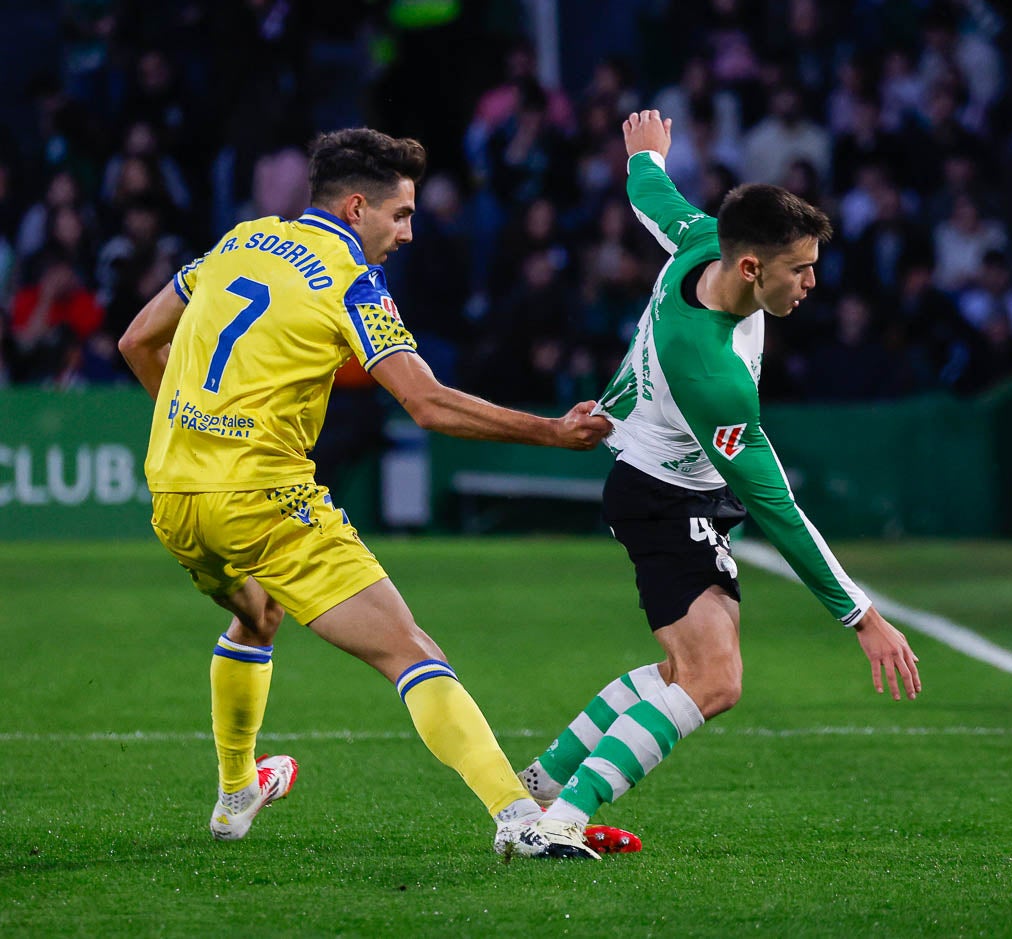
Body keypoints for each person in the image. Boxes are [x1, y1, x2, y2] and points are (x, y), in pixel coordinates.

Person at [118, 127, 617, 859]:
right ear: (357, 207)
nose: (408, 232)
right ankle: (518, 817)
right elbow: (428, 404)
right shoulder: (351, 278)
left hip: (175, 494)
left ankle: (235, 793)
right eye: (401, 214)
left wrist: (194, 436)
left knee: (258, 616)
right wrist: (551, 431)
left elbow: (136, 342)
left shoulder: (239, 240)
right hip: (264, 498)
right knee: (412, 651)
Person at [514, 110, 922, 856]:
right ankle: (559, 822)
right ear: (749, 269)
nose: (811, 281)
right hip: (666, 500)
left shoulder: (704, 239)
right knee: (714, 681)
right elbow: (778, 509)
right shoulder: (711, 373)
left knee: (680, 672)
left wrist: (646, 156)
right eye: (797, 268)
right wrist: (861, 617)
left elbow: (652, 199)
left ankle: (545, 782)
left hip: (662, 484)